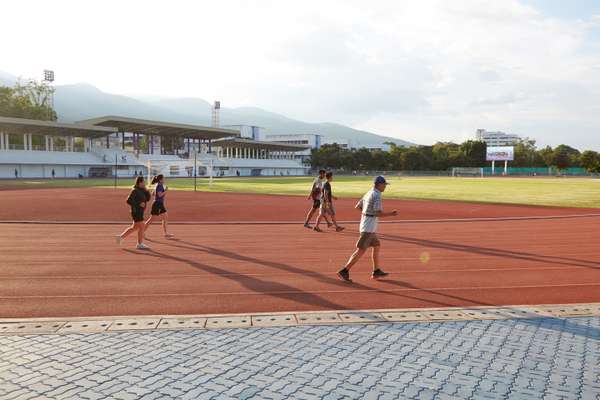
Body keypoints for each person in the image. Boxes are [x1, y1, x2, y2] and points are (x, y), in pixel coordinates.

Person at [337, 176, 397, 282]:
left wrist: (367, 214)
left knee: (377, 245)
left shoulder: (369, 193)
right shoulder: (377, 195)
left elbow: (357, 206)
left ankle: (376, 270)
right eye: (384, 185)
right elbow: (378, 213)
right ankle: (344, 270)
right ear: (379, 184)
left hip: (368, 226)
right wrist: (391, 214)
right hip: (368, 227)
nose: (385, 187)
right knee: (361, 250)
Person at [116, 176, 152, 250]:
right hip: (136, 212)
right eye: (143, 182)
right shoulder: (135, 190)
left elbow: (148, 199)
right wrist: (139, 203)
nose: (144, 183)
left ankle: (120, 237)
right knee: (142, 226)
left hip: (140, 212)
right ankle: (140, 244)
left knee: (134, 227)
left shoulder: (142, 190)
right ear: (140, 182)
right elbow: (128, 201)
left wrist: (147, 190)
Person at [144, 174, 174, 239]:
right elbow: (159, 195)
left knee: (165, 217)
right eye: (163, 178)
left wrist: (161, 191)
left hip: (159, 204)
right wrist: (166, 191)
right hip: (157, 204)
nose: (164, 179)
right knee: (151, 219)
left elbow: (152, 194)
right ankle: (142, 232)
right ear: (160, 180)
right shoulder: (159, 186)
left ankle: (165, 233)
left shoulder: (157, 185)